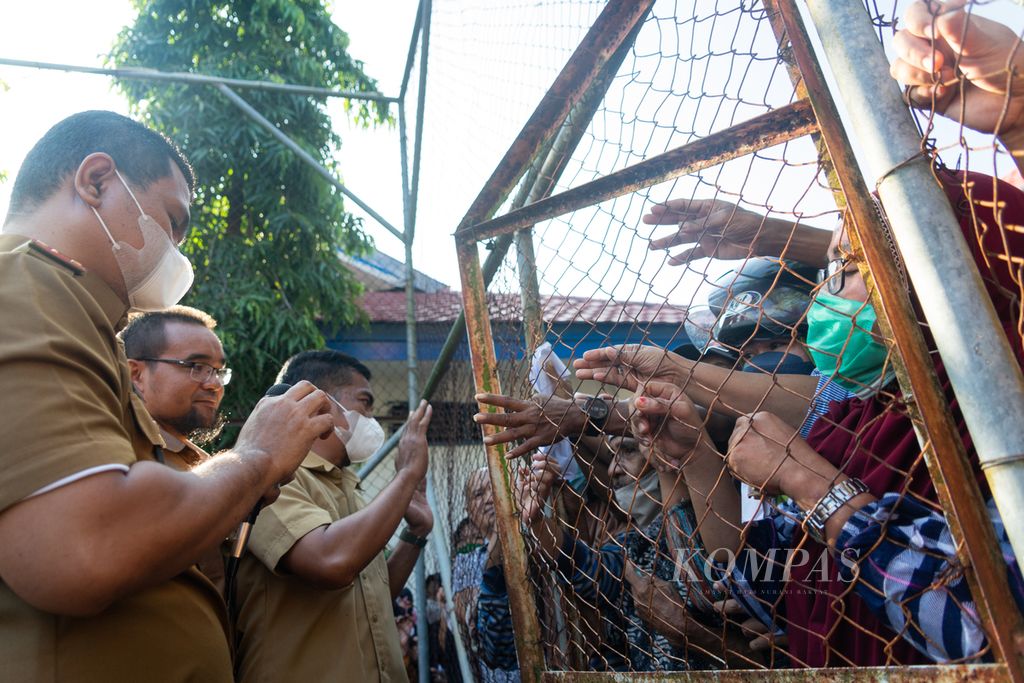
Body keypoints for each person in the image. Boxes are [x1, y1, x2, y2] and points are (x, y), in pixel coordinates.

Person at [580, 167, 1024, 665]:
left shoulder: (996, 427)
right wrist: (693, 455)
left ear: (951, 274)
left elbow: (990, 629)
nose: (824, 296)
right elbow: (749, 583)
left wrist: (816, 488)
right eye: (830, 269)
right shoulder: (864, 419)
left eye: (850, 269)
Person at [0, 110, 333, 682]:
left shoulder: (72, 311)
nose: (178, 254)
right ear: (96, 181)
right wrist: (253, 459)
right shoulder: (31, 284)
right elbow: (84, 546)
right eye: (172, 222)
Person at [234, 349, 434, 683]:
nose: (371, 417)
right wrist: (407, 476)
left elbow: (372, 597)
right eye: (364, 402)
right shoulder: (272, 477)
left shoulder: (347, 486)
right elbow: (331, 563)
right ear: (320, 402)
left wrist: (415, 534)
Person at [121, 305, 232, 589]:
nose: (214, 385)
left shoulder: (201, 461)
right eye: (197, 367)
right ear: (136, 374)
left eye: (218, 371)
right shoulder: (120, 457)